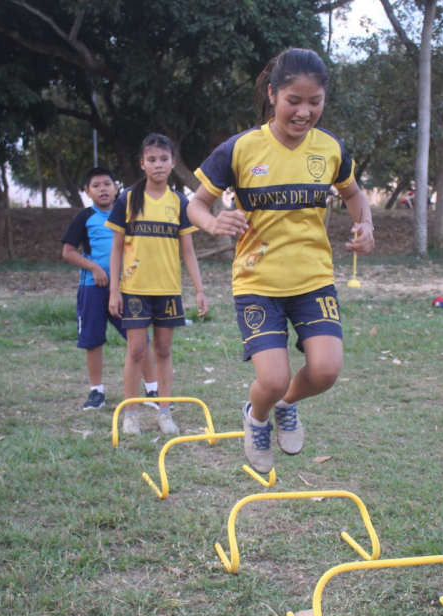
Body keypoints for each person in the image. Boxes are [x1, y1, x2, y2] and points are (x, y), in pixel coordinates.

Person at [187, 47, 375, 474]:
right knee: (270, 379)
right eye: (294, 100)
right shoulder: (239, 149)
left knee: (326, 371)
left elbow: (355, 196)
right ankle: (256, 418)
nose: (305, 112)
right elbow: (195, 205)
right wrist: (213, 223)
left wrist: (367, 226)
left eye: (315, 102)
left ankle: (287, 404)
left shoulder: (329, 150)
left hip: (313, 280)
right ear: (272, 95)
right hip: (258, 284)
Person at [107, 134, 208, 436]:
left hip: (168, 290)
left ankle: (164, 412)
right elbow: (115, 248)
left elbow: (188, 251)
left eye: (164, 159)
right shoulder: (127, 198)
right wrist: (114, 289)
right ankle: (131, 415)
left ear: (173, 163)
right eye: (151, 159)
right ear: (142, 164)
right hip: (135, 288)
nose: (158, 165)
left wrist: (199, 290)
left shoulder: (179, 202)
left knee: (163, 350)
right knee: (137, 350)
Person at [61, 167, 158, 411]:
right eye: (96, 185)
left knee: (139, 339)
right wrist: (94, 268)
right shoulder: (84, 217)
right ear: (87, 191)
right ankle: (97, 392)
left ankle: (152, 389)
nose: (103, 189)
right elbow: (68, 252)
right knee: (93, 339)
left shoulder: (129, 214)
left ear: (116, 188)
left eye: (107, 184)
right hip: (92, 289)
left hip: (127, 288)